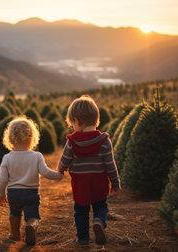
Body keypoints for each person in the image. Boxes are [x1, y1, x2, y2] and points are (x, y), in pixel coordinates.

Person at [57, 95, 120, 246]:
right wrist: (115, 183)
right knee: (100, 206)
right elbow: (110, 165)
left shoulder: (72, 141)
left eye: (72, 123)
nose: (72, 126)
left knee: (81, 212)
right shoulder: (105, 141)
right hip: (99, 183)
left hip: (80, 185)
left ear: (77, 121)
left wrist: (60, 170)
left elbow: (64, 160)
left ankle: (83, 239)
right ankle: (99, 220)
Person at [0, 116, 63, 246]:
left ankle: (15, 234)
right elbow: (46, 172)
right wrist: (59, 175)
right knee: (33, 216)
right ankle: (31, 226)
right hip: (31, 193)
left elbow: (2, 179)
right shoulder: (37, 156)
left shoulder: (7, 157)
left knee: (14, 213)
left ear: (10, 138)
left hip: (13, 193)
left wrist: (1, 194)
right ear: (32, 137)